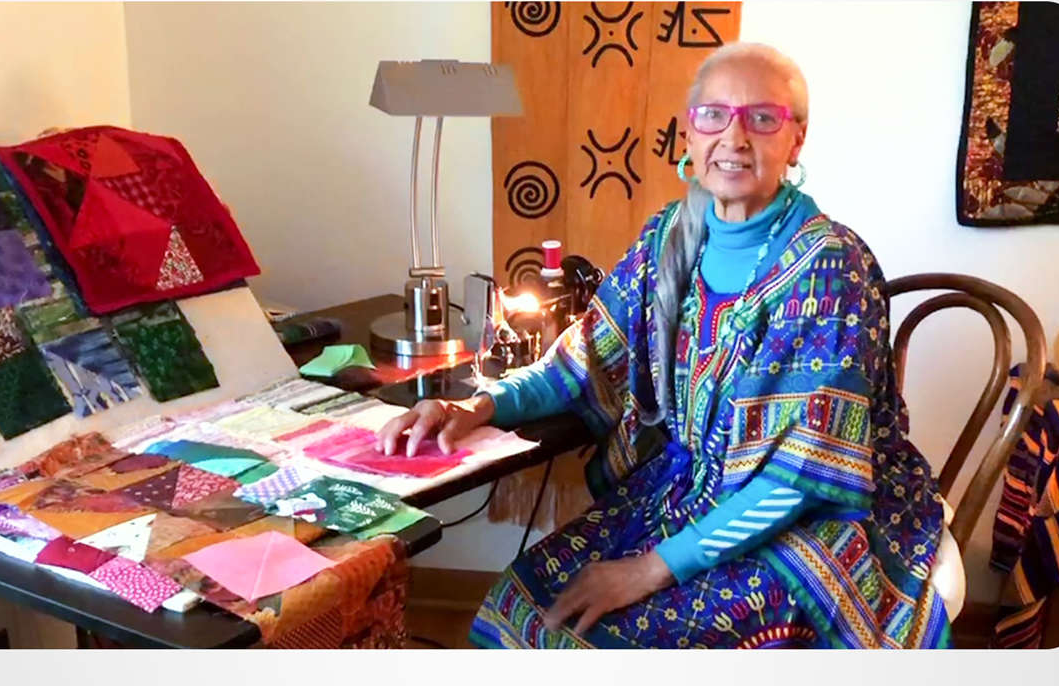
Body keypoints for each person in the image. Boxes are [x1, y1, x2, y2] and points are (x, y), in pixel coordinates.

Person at [377, 42, 951, 649]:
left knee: (610, 640)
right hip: (689, 495)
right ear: (689, 132)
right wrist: (477, 407)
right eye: (714, 114)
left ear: (796, 140)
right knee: (519, 603)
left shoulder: (829, 267)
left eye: (763, 118)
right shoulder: (668, 239)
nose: (734, 137)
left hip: (814, 517)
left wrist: (648, 570)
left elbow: (800, 479)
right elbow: (583, 360)